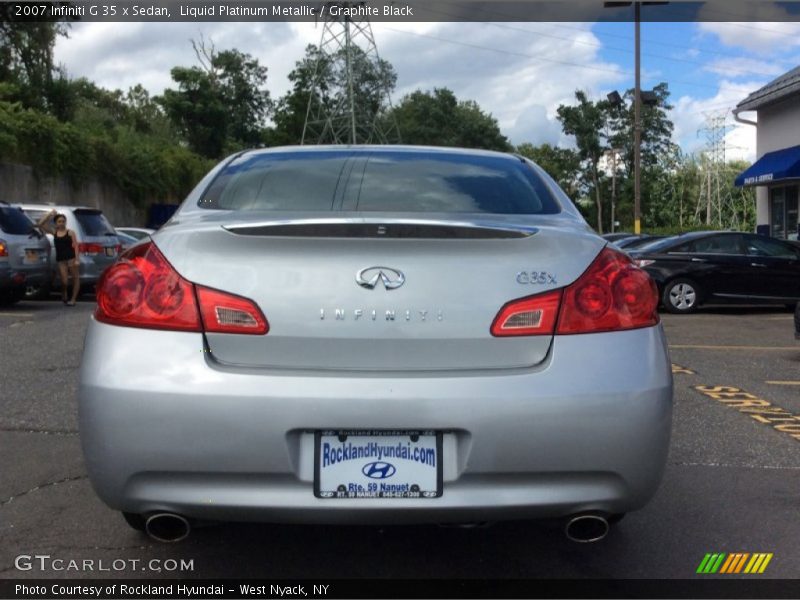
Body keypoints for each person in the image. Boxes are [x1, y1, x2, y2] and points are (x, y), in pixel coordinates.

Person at [37, 209, 80, 306]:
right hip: (61, 259)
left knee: (75, 278)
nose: (61, 223)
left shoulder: (70, 232)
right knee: (64, 281)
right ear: (56, 223)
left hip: (71, 258)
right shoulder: (55, 232)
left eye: (63, 221)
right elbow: (40, 224)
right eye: (59, 221)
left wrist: (77, 259)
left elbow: (76, 246)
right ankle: (64, 294)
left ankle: (73, 299)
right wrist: (49, 214)